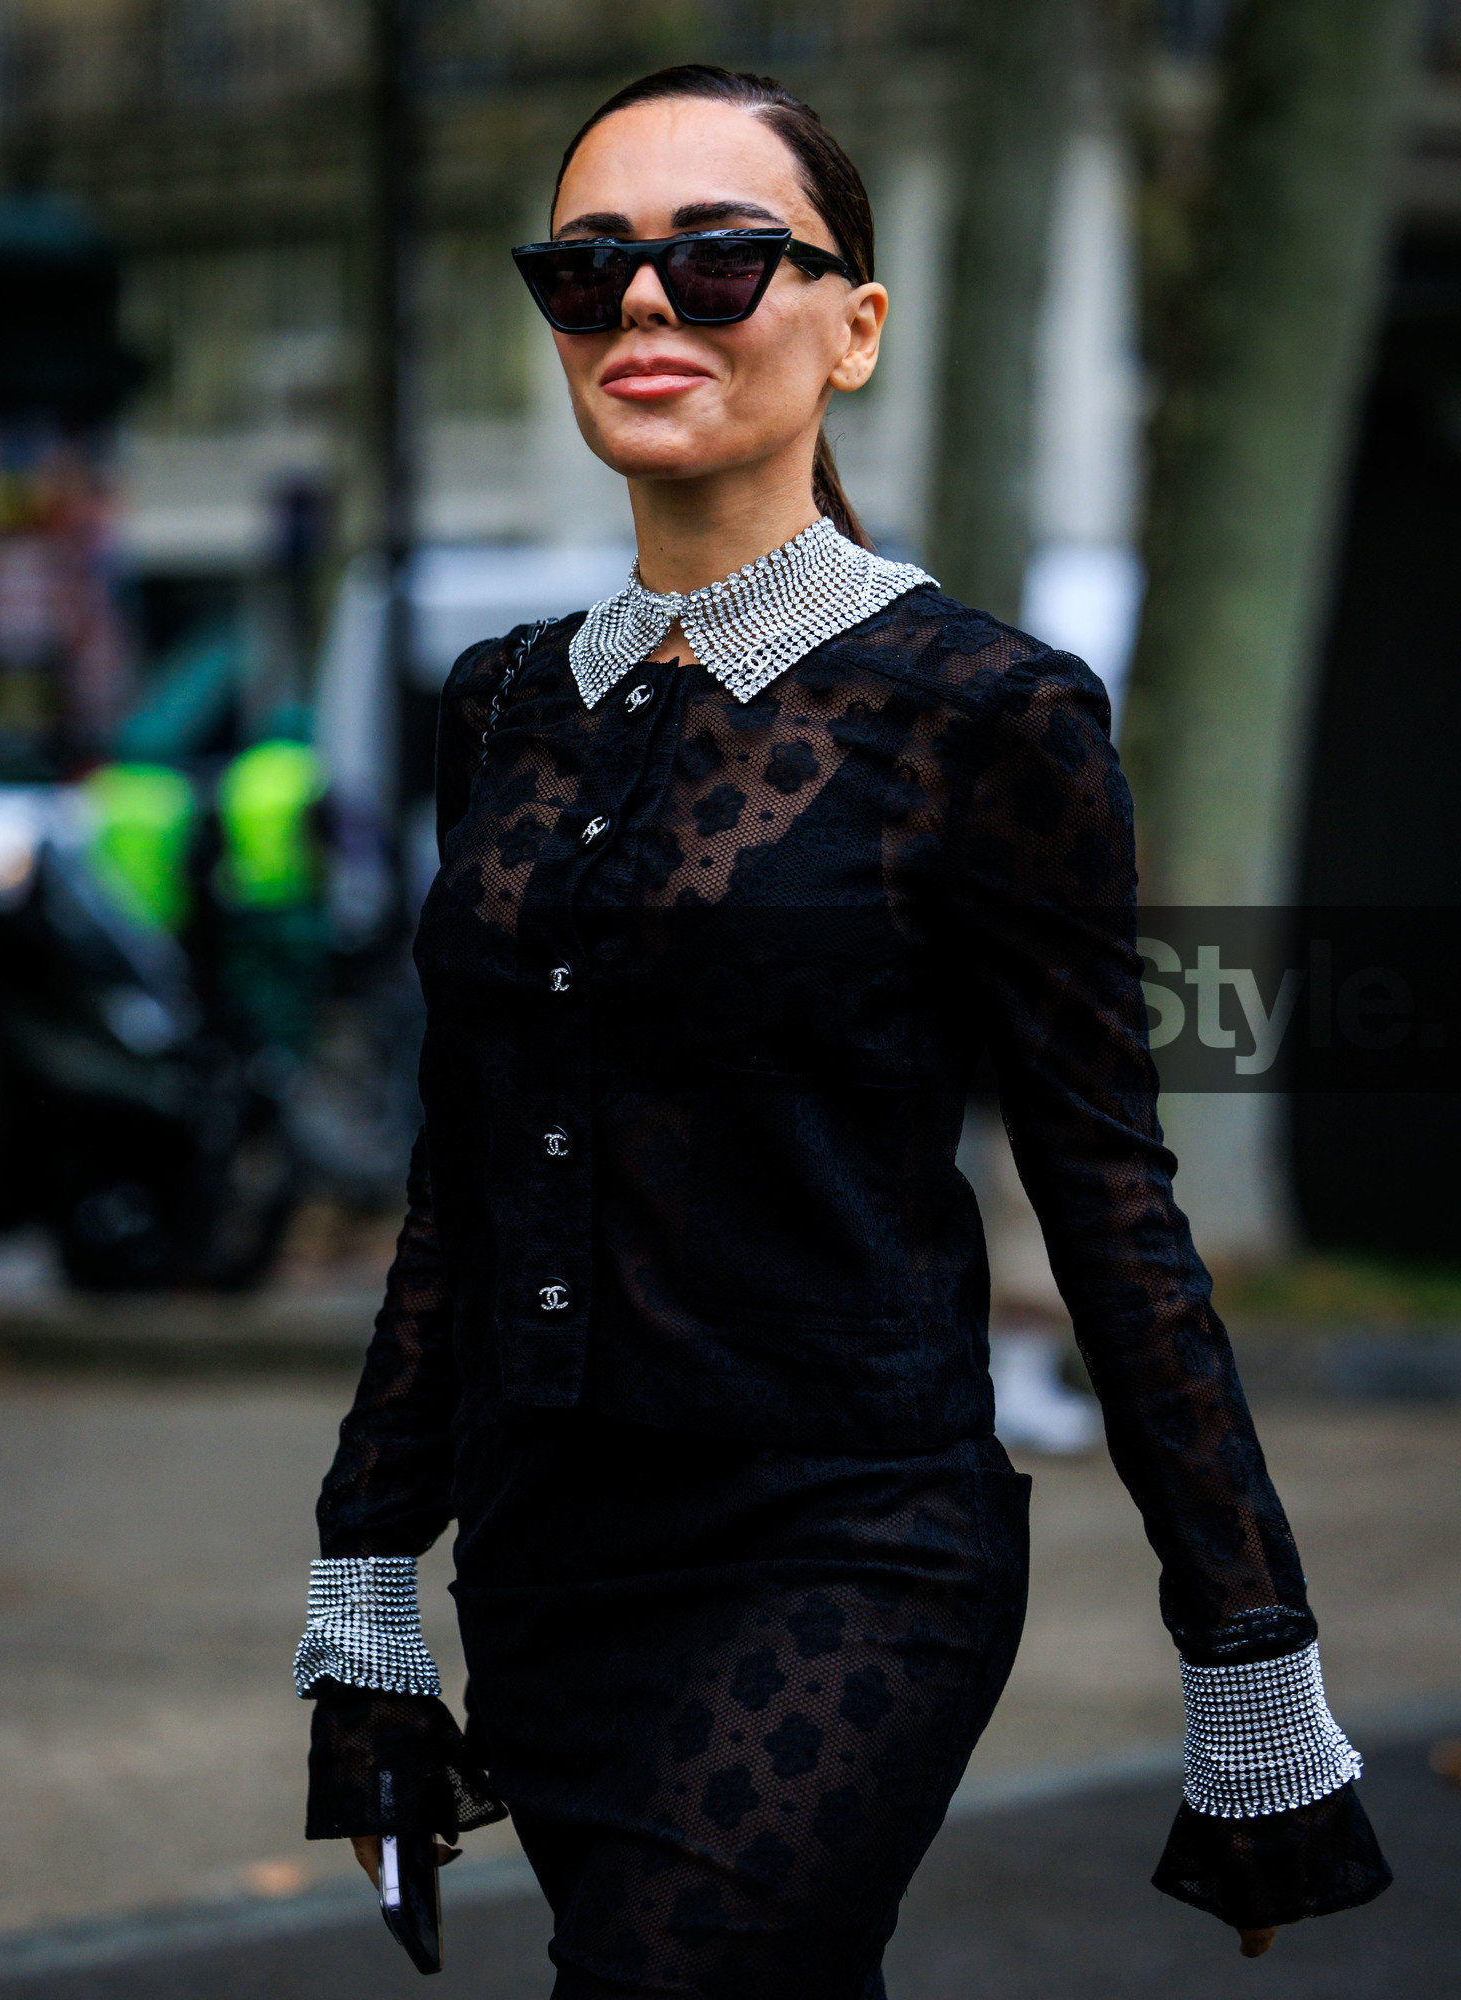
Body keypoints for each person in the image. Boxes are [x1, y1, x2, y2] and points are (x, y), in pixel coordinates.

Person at [293, 64, 1390, 1998]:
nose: (644, 305)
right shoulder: (498, 708)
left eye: (718, 261)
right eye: (589, 267)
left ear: (854, 327)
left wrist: (1254, 1664)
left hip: (846, 1554)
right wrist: (365, 1589)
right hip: (553, 1569)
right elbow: (463, 1186)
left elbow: (1112, 1199)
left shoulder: (990, 714)